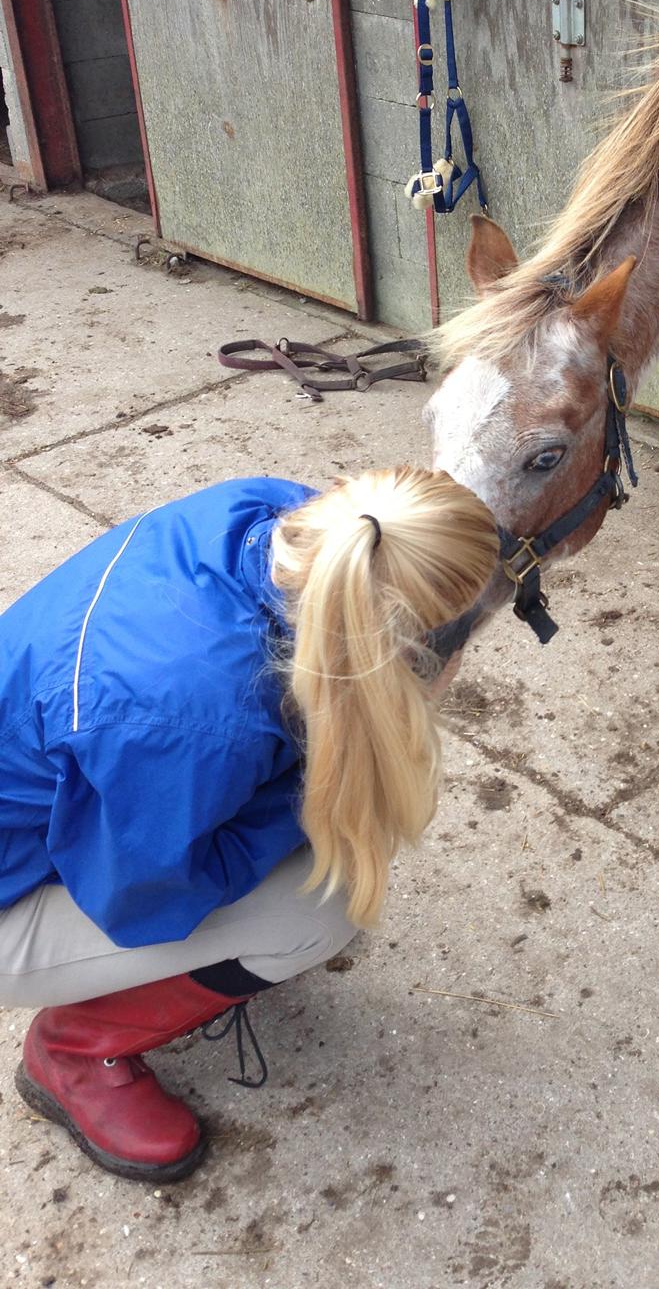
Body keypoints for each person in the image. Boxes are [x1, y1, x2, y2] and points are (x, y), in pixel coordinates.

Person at [0, 467, 499, 1183]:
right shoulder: (195, 729)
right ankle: (73, 1051)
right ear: (404, 649)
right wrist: (310, 792)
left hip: (84, 781)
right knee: (319, 906)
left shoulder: (273, 511)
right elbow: (142, 899)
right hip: (38, 884)